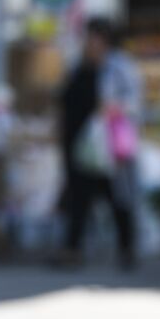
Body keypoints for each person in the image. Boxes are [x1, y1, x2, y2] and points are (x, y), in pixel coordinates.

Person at [58, 16, 142, 268]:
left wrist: (113, 108)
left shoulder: (119, 67)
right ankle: (72, 249)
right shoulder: (79, 66)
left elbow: (135, 102)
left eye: (93, 36)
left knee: (118, 197)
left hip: (108, 144)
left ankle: (127, 249)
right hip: (81, 143)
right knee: (78, 198)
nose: (89, 42)